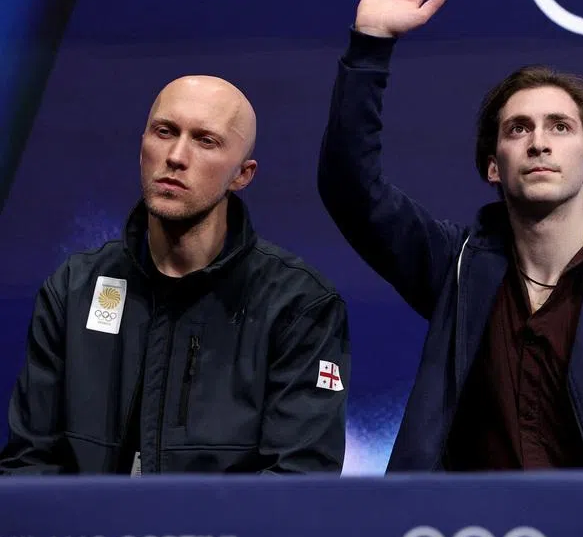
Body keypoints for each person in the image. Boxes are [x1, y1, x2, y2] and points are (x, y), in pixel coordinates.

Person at [319, 0, 583, 471]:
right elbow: (350, 188)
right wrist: (370, 45)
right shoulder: (457, 266)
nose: (538, 143)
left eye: (559, 128)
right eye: (518, 129)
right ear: (493, 166)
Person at [1, 75, 350, 474]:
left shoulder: (299, 306)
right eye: (164, 132)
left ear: (242, 174)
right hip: (90, 536)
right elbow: (27, 465)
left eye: (205, 140)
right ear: (142, 147)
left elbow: (298, 484)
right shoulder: (74, 289)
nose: (176, 156)